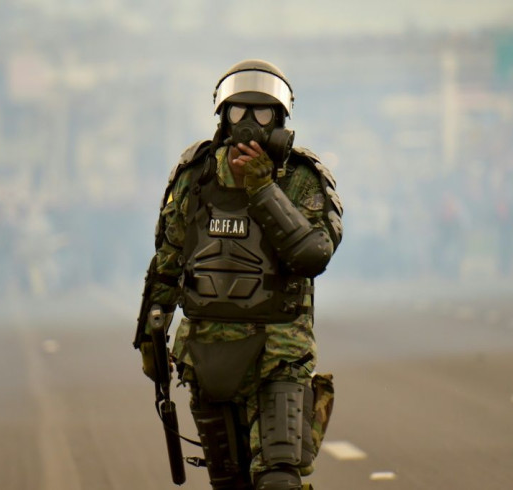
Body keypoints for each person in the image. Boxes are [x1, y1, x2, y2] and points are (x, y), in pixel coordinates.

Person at [135, 60, 343, 490]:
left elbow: (313, 255)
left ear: (280, 119)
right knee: (229, 483)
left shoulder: (301, 178)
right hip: (209, 353)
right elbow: (170, 258)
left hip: (278, 352)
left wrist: (263, 188)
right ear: (222, 117)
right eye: (238, 112)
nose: (249, 124)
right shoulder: (195, 175)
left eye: (262, 114)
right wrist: (151, 331)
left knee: (278, 480)